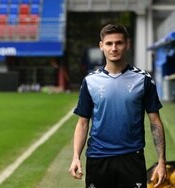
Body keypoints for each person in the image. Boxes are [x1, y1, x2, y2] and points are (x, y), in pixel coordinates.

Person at [69, 23, 166, 188]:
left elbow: (155, 121)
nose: (114, 48)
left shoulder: (143, 79)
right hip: (98, 158)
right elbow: (83, 123)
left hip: (132, 158)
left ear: (127, 44)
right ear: (101, 46)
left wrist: (161, 161)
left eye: (119, 43)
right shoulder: (90, 81)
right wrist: (76, 156)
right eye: (109, 43)